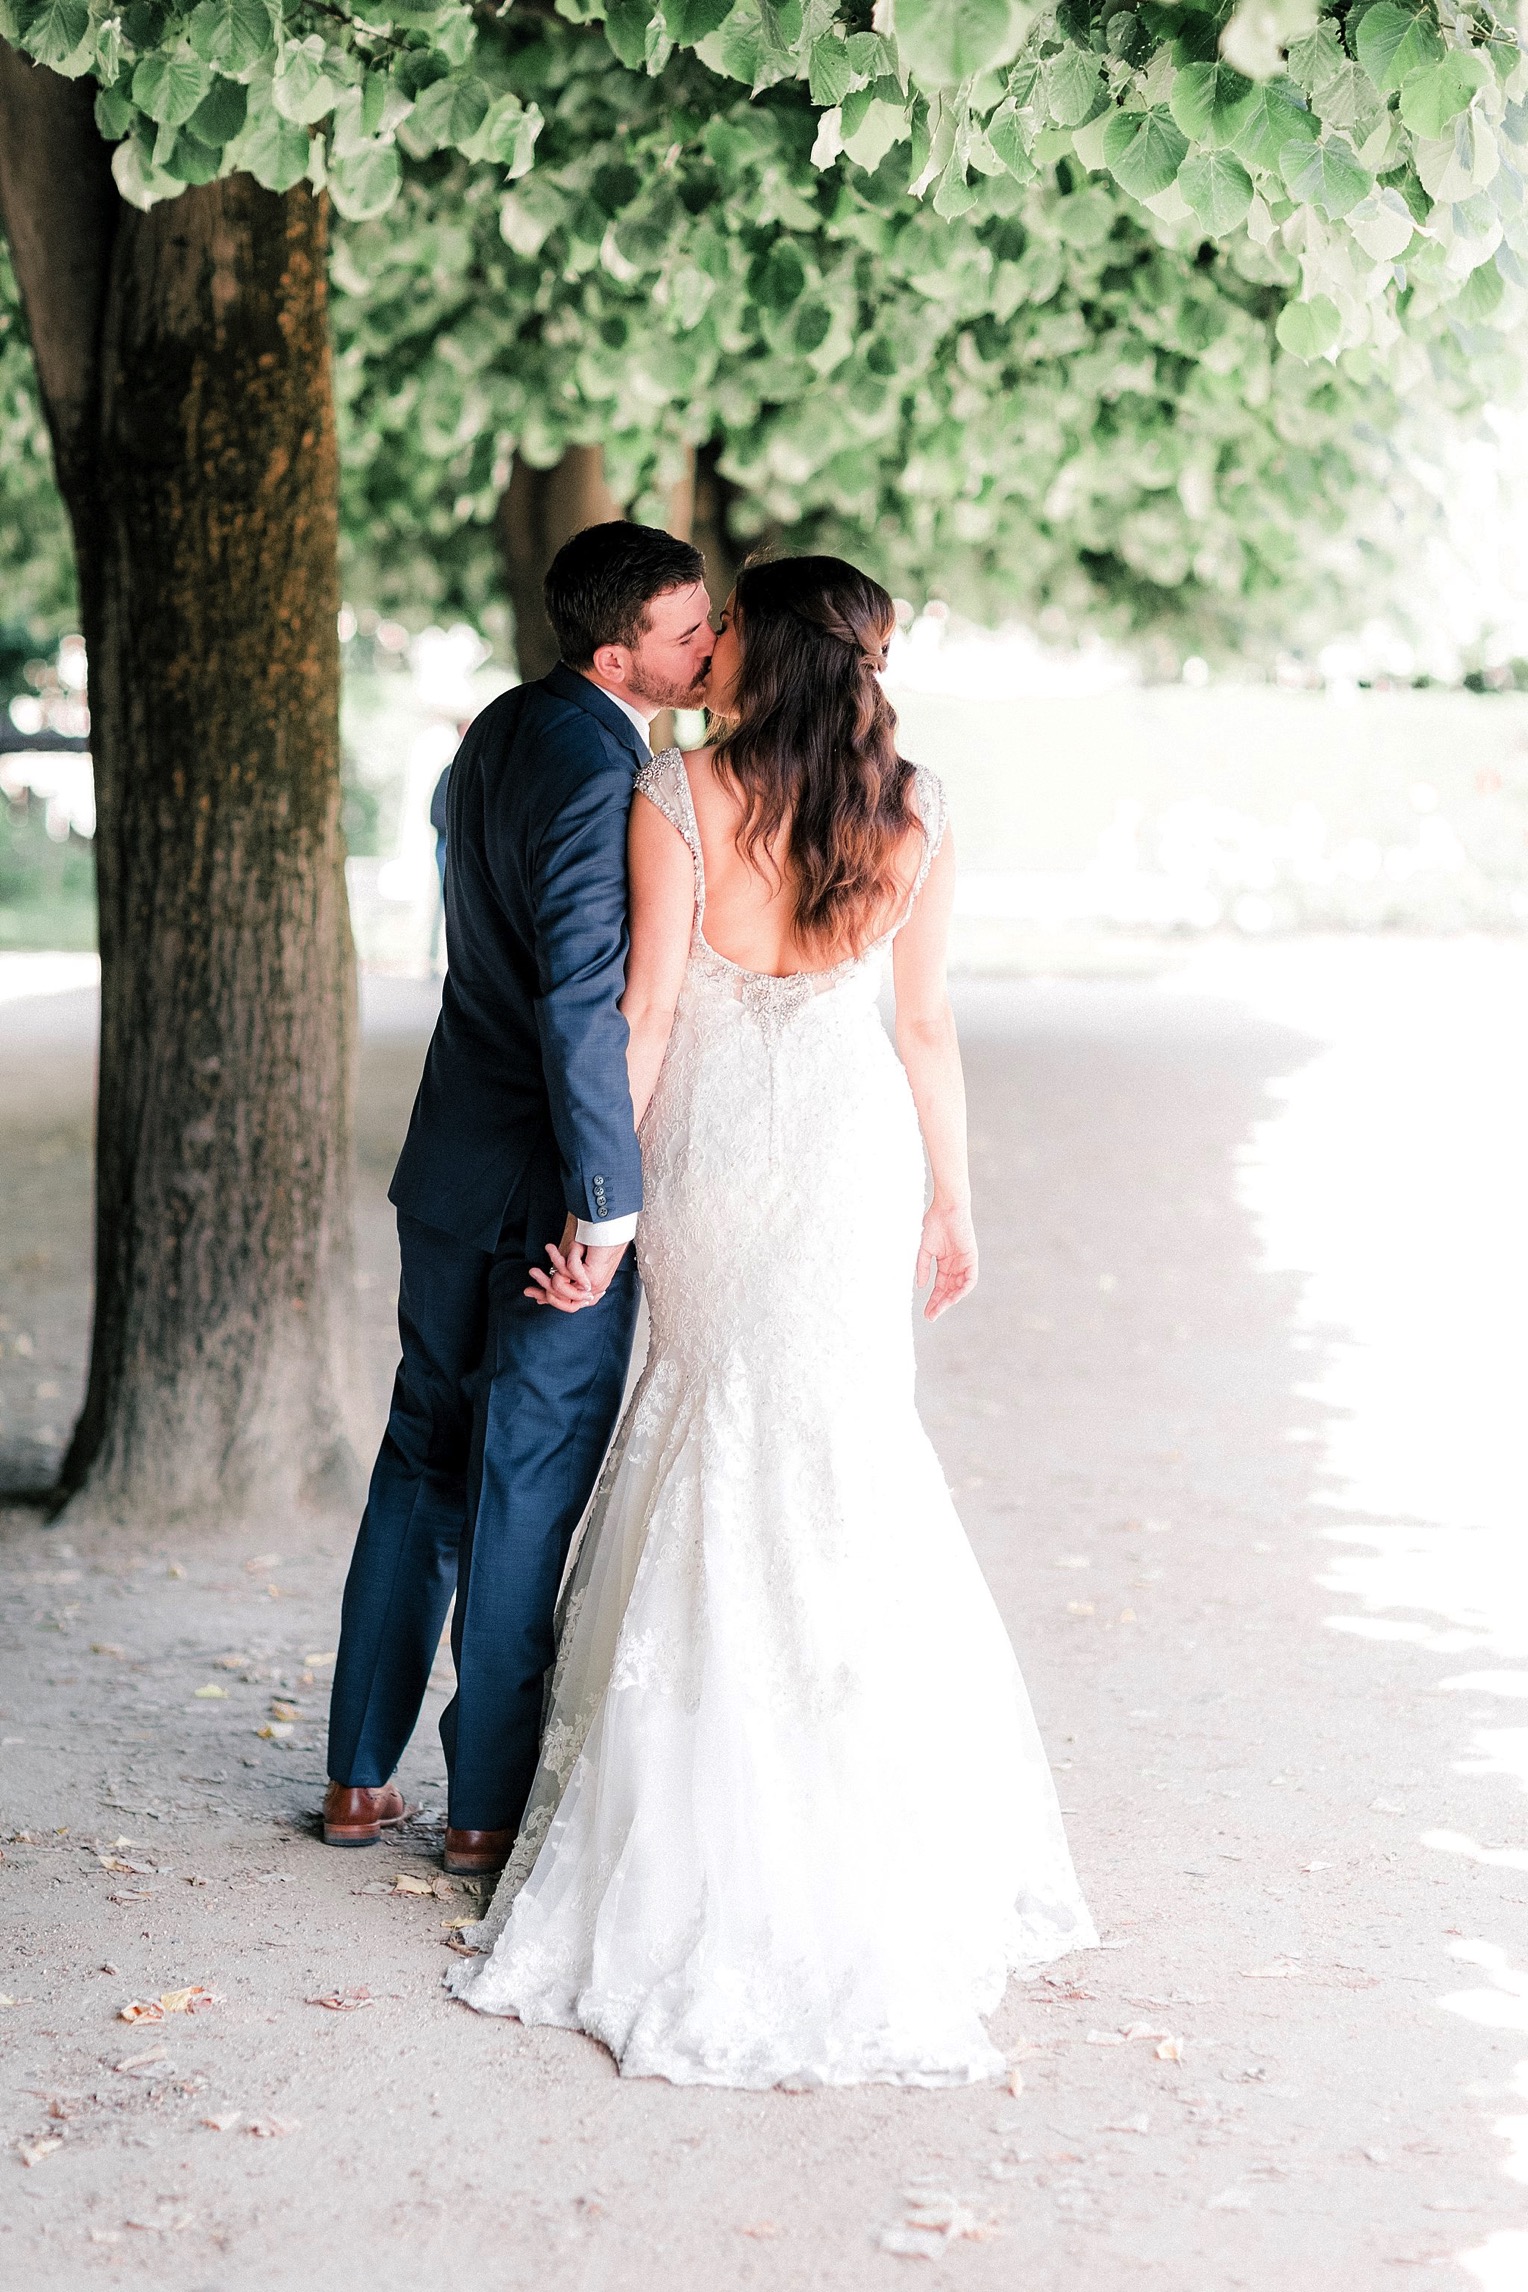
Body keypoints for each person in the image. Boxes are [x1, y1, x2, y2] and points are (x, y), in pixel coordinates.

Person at [448, 555, 1095, 2086]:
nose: (709, 639)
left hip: (718, 1157)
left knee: (709, 1428)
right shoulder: (916, 806)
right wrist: (953, 1197)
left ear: (759, 650)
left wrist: (600, 1211)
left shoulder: (679, 795)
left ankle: (697, 1830)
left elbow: (645, 1015)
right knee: (845, 1442)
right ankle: (873, 1817)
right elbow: (923, 1024)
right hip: (853, 1146)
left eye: (724, 620)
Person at [322, 523, 714, 1877]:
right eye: (686, 631)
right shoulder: (607, 772)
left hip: (448, 1170)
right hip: (549, 1188)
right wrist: (605, 1204)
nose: (710, 645)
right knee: (521, 1485)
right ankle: (482, 1807)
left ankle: (355, 1776)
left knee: (419, 1458)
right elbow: (576, 1003)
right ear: (620, 653)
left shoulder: (499, 729)